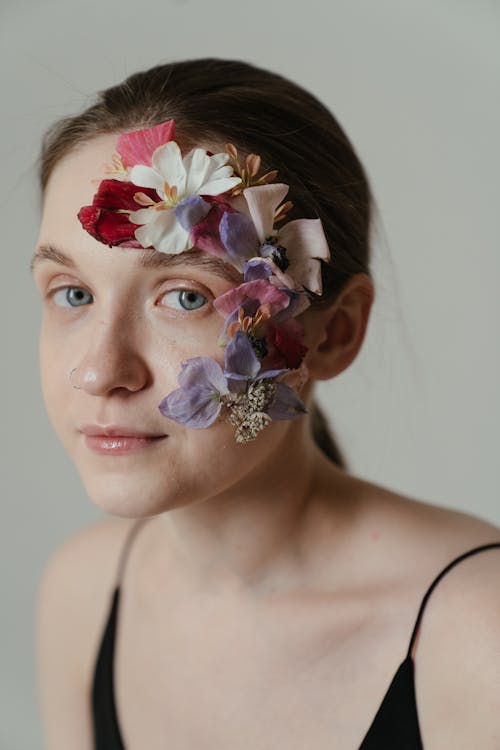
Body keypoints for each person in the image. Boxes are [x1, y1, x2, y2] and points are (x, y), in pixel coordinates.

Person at [33, 58, 500, 750]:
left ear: (334, 333)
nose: (101, 371)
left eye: (186, 296)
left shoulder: (477, 633)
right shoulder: (84, 591)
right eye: (72, 293)